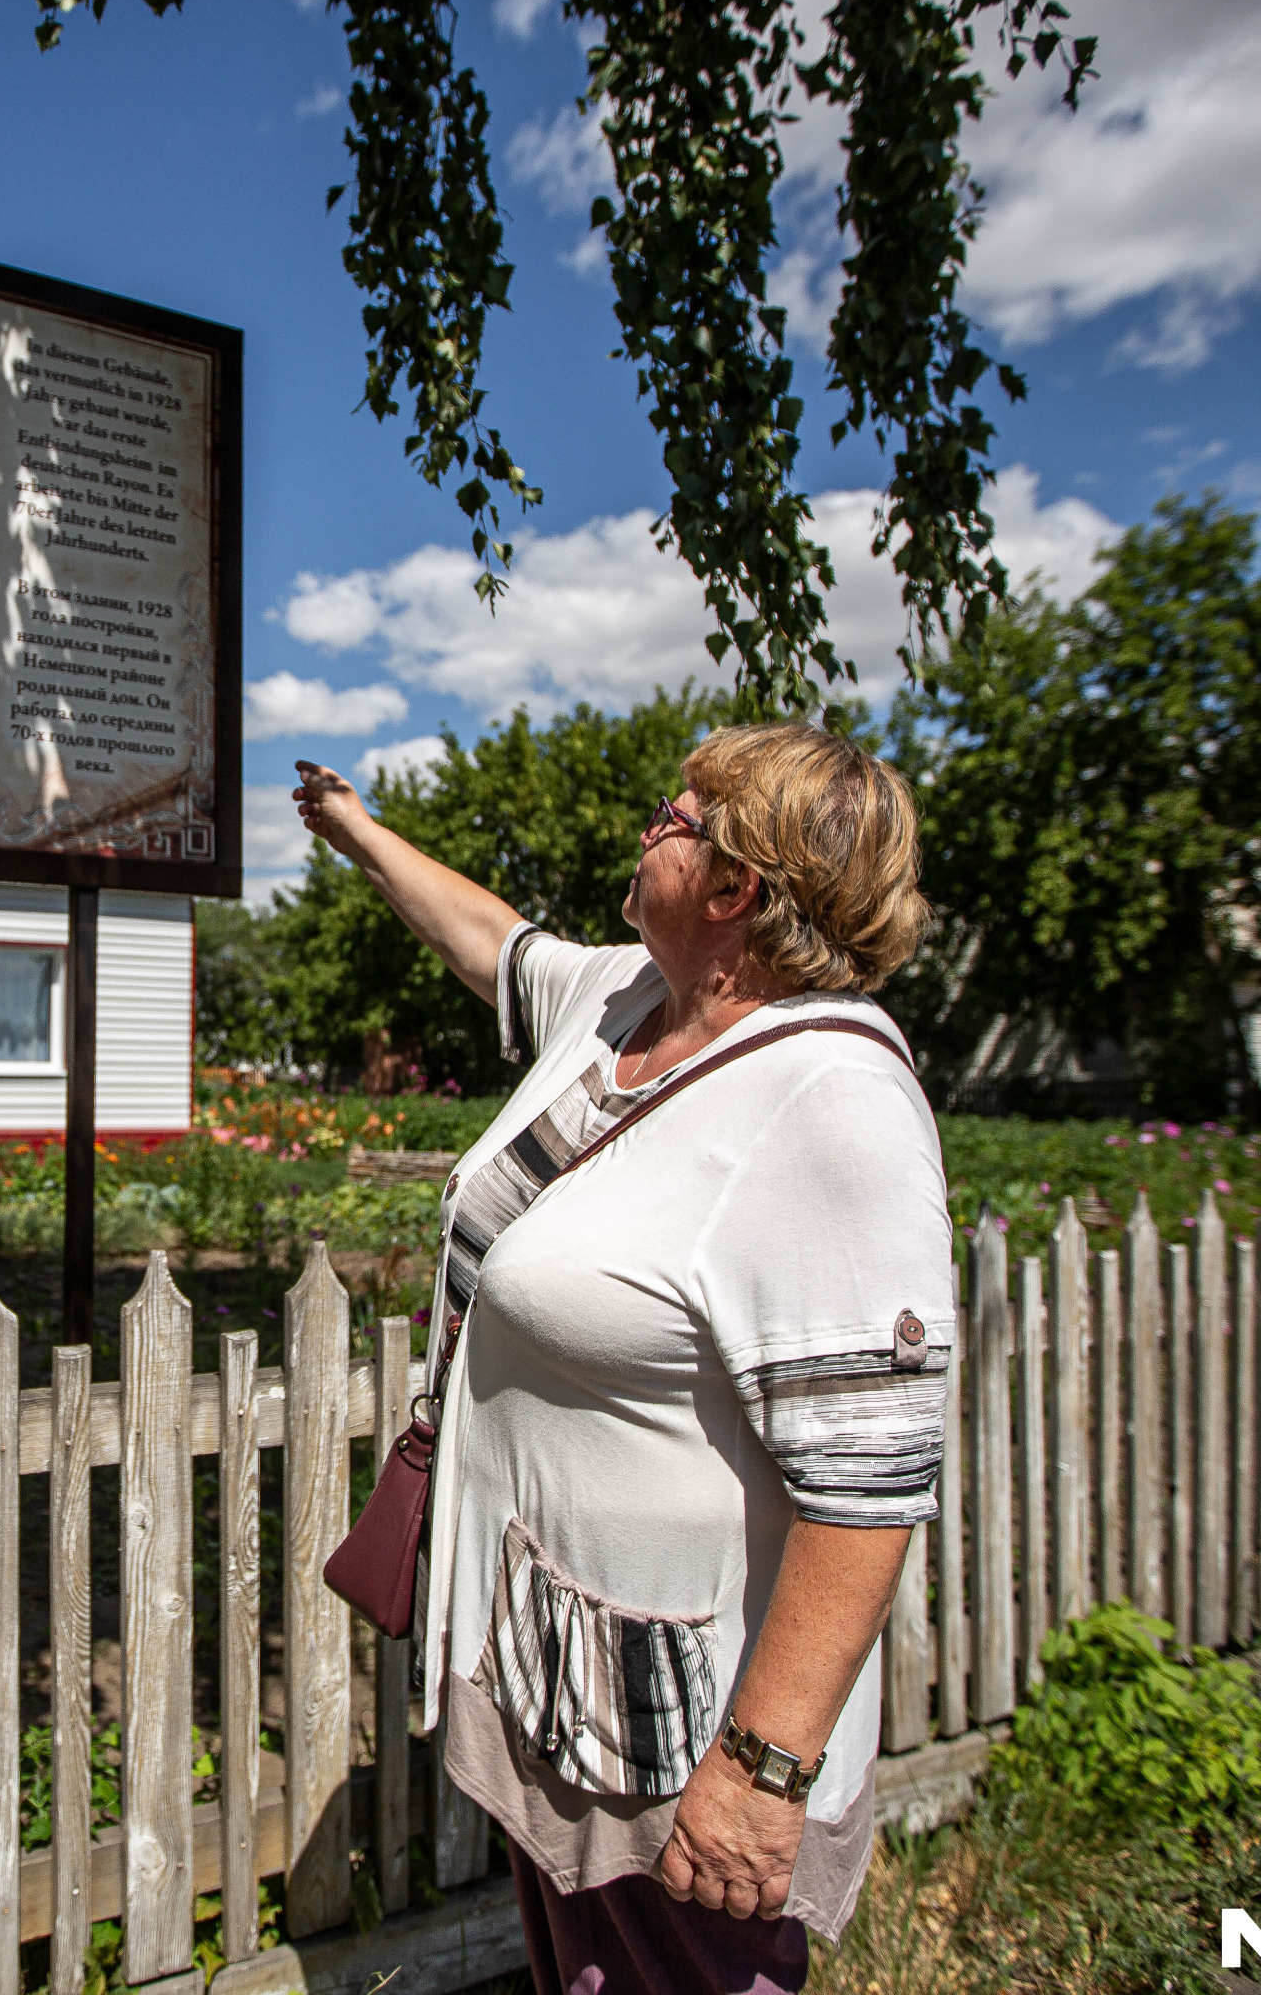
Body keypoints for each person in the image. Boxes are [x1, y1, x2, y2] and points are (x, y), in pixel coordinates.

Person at [292, 723, 952, 1995]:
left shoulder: (832, 1099)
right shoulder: (623, 1002)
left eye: (679, 811)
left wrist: (760, 1774)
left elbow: (868, 1486)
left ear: (734, 886)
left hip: (681, 1739)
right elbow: (495, 941)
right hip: (565, 1669)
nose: (653, 820)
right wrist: (361, 833)